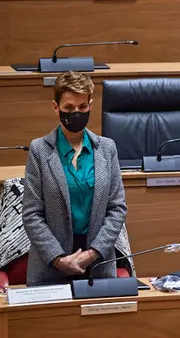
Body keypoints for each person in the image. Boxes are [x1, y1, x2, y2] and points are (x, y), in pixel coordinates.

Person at [23, 71, 128, 285]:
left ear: (91, 105)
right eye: (69, 108)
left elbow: (117, 208)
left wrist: (92, 253)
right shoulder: (39, 150)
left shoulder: (107, 149)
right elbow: (32, 213)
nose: (76, 113)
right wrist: (59, 259)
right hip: (50, 268)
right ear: (56, 107)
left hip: (98, 265)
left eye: (82, 107)